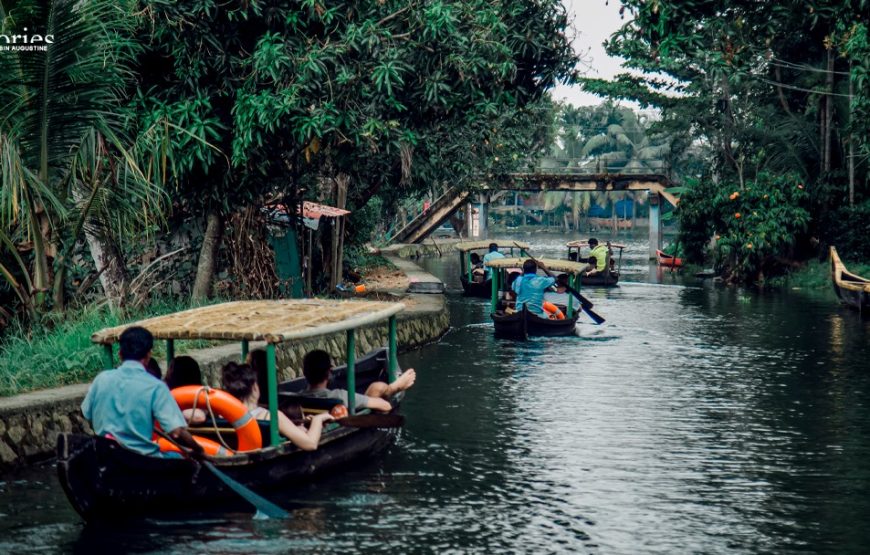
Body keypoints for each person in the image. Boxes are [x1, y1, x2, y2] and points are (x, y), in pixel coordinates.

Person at [81, 326, 204, 458]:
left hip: (105, 458)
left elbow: (86, 413)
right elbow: (177, 432)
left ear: (120, 354)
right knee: (180, 459)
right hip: (142, 462)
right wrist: (198, 449)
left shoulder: (101, 379)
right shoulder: (156, 387)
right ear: (148, 355)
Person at [221, 361, 332, 451]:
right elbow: (310, 444)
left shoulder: (221, 416)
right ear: (255, 388)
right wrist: (318, 419)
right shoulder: (272, 417)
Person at [300, 350, 416, 413]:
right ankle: (395, 386)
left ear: (304, 372)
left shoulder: (296, 399)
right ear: (329, 372)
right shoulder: (339, 396)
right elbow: (385, 406)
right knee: (378, 389)